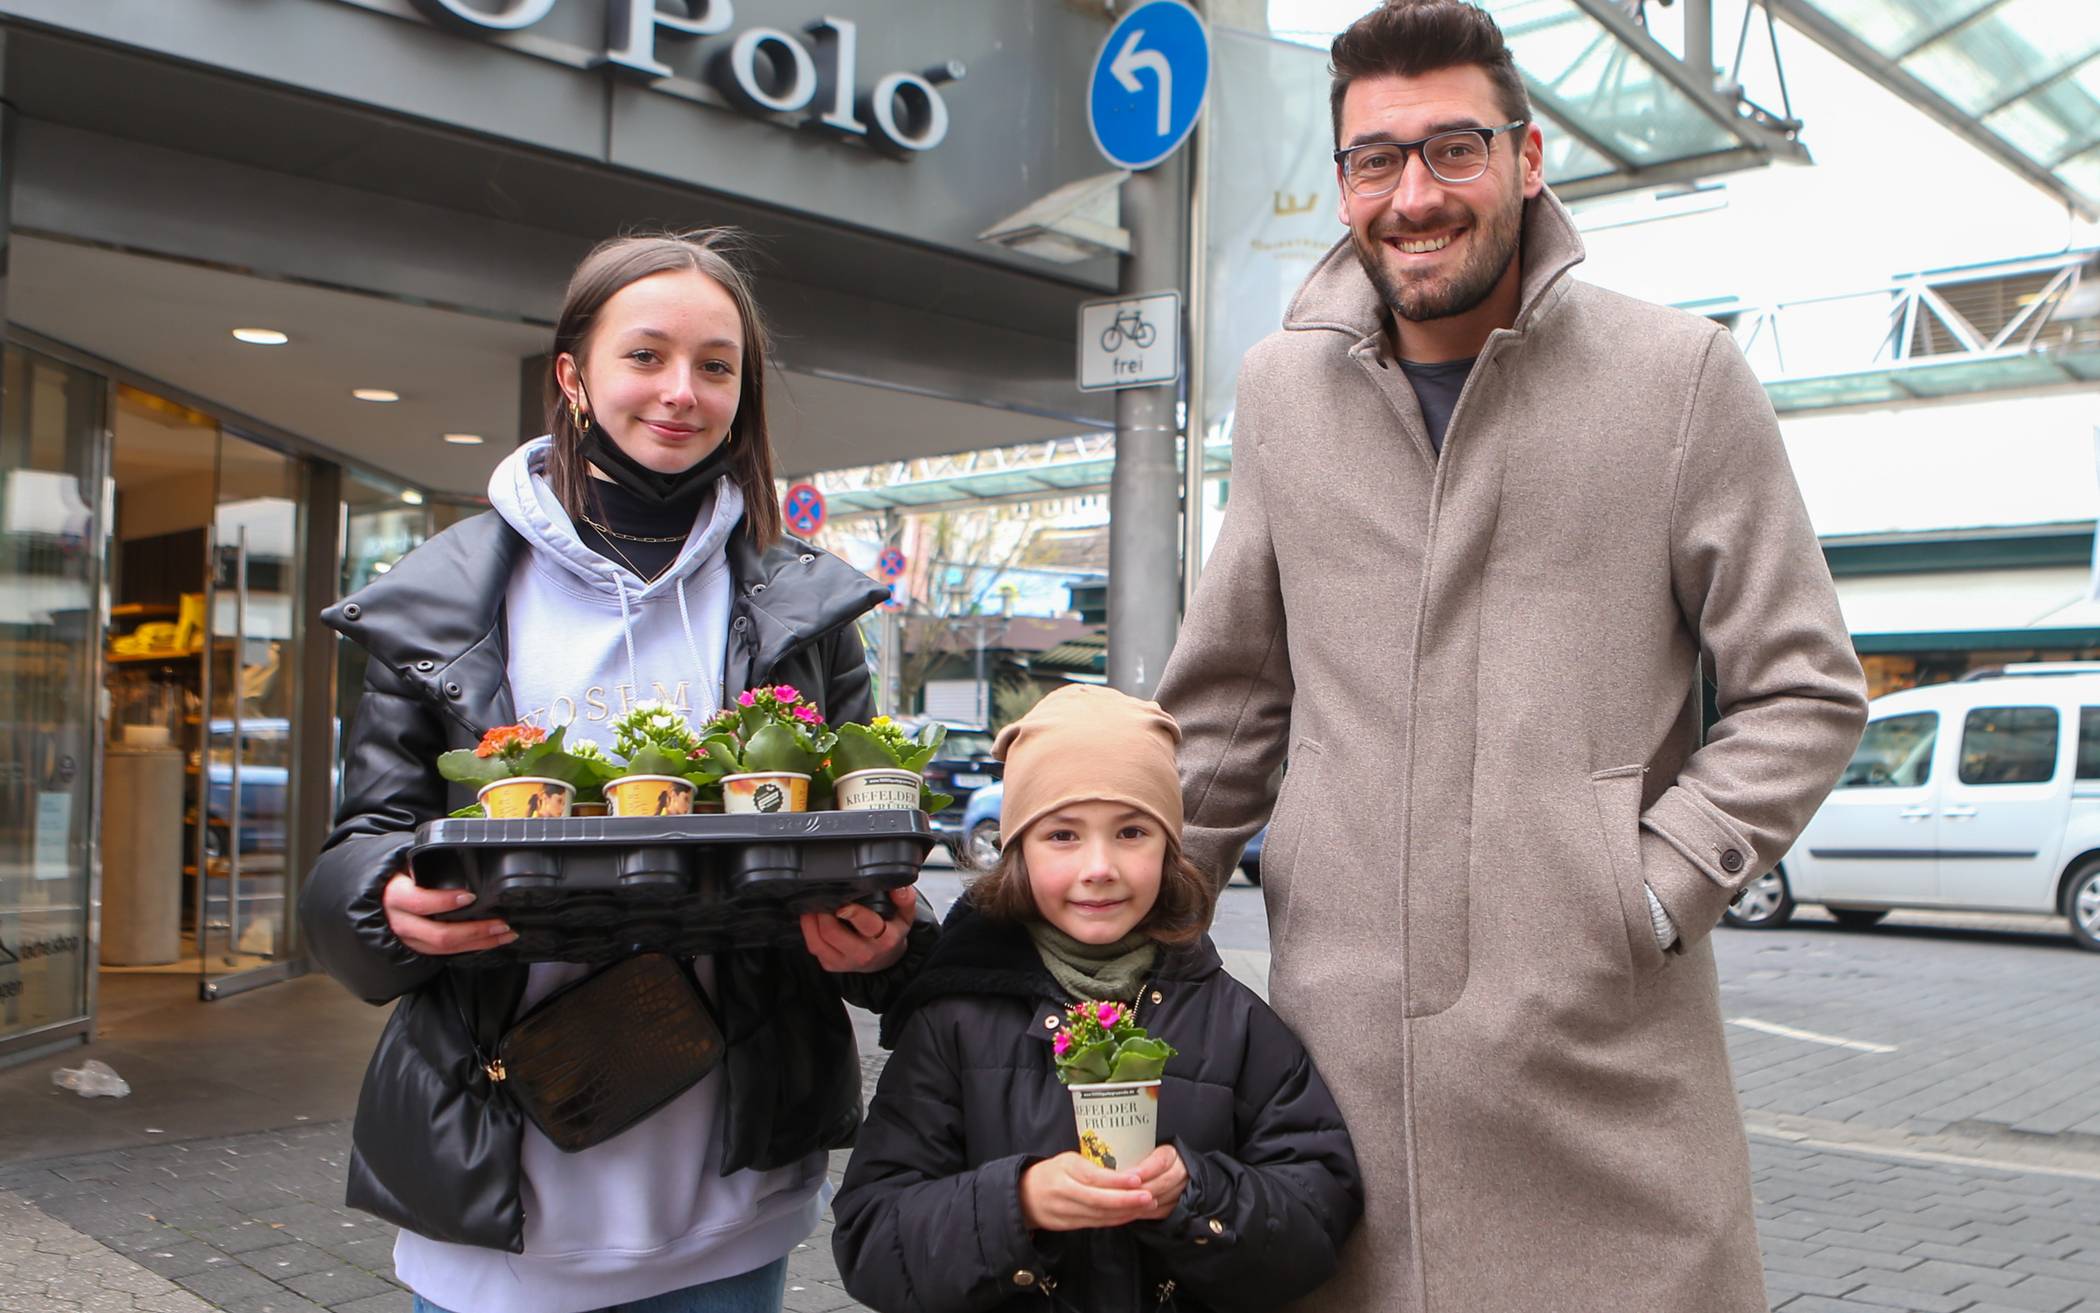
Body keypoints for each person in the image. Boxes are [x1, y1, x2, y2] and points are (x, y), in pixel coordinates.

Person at [1152, 4, 1870, 1310]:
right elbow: (1231, 704)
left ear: (1529, 158)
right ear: (1342, 179)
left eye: (1453, 150)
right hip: (1337, 1083)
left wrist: (1641, 893)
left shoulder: (1680, 378)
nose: (1413, 194)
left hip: (1606, 1081)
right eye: (1376, 159)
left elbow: (1806, 686)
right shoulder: (1281, 392)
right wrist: (1121, 917)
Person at [301, 230, 932, 1313]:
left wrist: (878, 936)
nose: (682, 391)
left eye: (717, 365)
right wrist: (385, 901)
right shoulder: (443, 598)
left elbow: (850, 853)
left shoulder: (804, 607)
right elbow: (362, 844)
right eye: (646, 355)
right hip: (503, 1184)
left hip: (728, 1192)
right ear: (573, 374)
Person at [831, 685, 1362, 1312]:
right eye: (1062, 835)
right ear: (1017, 852)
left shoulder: (1236, 1025)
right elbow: (872, 1237)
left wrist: (1198, 1195)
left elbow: (1317, 1216)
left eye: (1132, 831)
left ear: (1170, 849)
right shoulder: (954, 1022)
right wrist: (1019, 1201)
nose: (1100, 866)